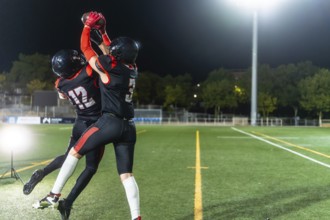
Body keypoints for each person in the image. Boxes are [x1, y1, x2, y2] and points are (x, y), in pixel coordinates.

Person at [39, 12, 141, 220]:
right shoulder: (132, 68)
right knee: (127, 175)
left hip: (109, 121)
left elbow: (86, 49)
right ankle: (136, 217)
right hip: (129, 128)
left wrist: (87, 27)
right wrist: (103, 33)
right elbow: (110, 51)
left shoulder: (109, 67)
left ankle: (54, 194)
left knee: (74, 152)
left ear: (116, 55)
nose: (110, 51)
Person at [26, 30, 108, 215]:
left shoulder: (60, 83)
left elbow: (62, 93)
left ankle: (41, 173)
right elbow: (102, 63)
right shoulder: (87, 72)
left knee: (68, 157)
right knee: (91, 167)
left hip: (80, 122)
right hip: (95, 123)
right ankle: (67, 202)